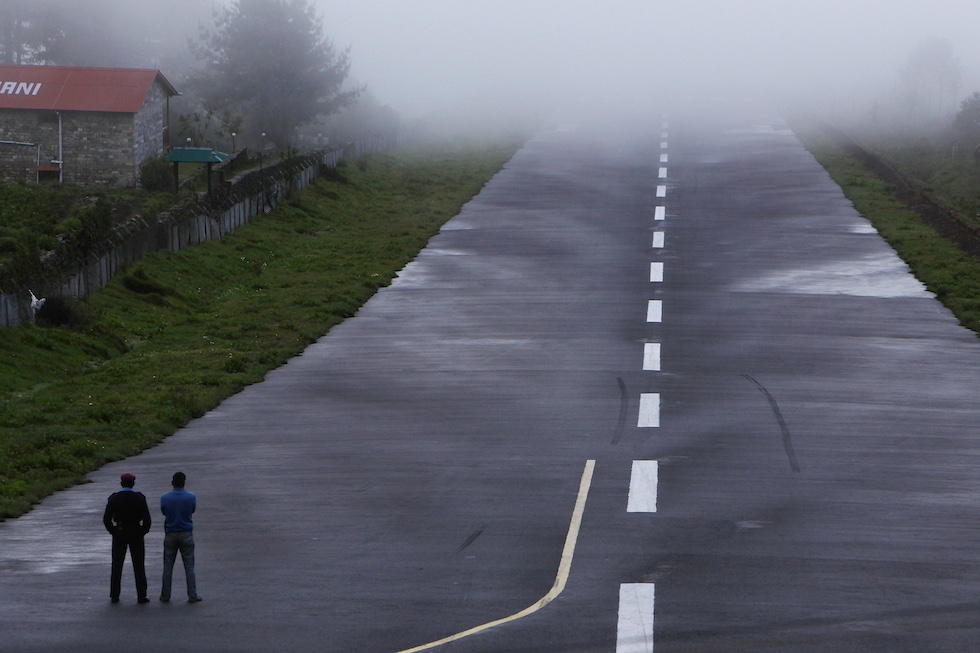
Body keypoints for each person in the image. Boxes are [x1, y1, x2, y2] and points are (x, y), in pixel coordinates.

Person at [103, 472, 152, 604]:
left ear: (121, 483)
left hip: (120, 531)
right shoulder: (139, 498)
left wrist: (113, 531)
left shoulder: (114, 498)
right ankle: (141, 595)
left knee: (117, 565)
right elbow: (147, 520)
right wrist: (141, 531)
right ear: (133, 483)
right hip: (135, 532)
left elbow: (106, 519)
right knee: (139, 565)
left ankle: (114, 595)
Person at [160, 471, 201, 603]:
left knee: (168, 566)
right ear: (184, 483)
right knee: (189, 566)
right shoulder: (191, 496)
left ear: (172, 483)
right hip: (186, 532)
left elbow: (164, 511)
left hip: (171, 533)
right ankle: (192, 594)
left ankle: (165, 595)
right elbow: (192, 510)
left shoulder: (165, 497)